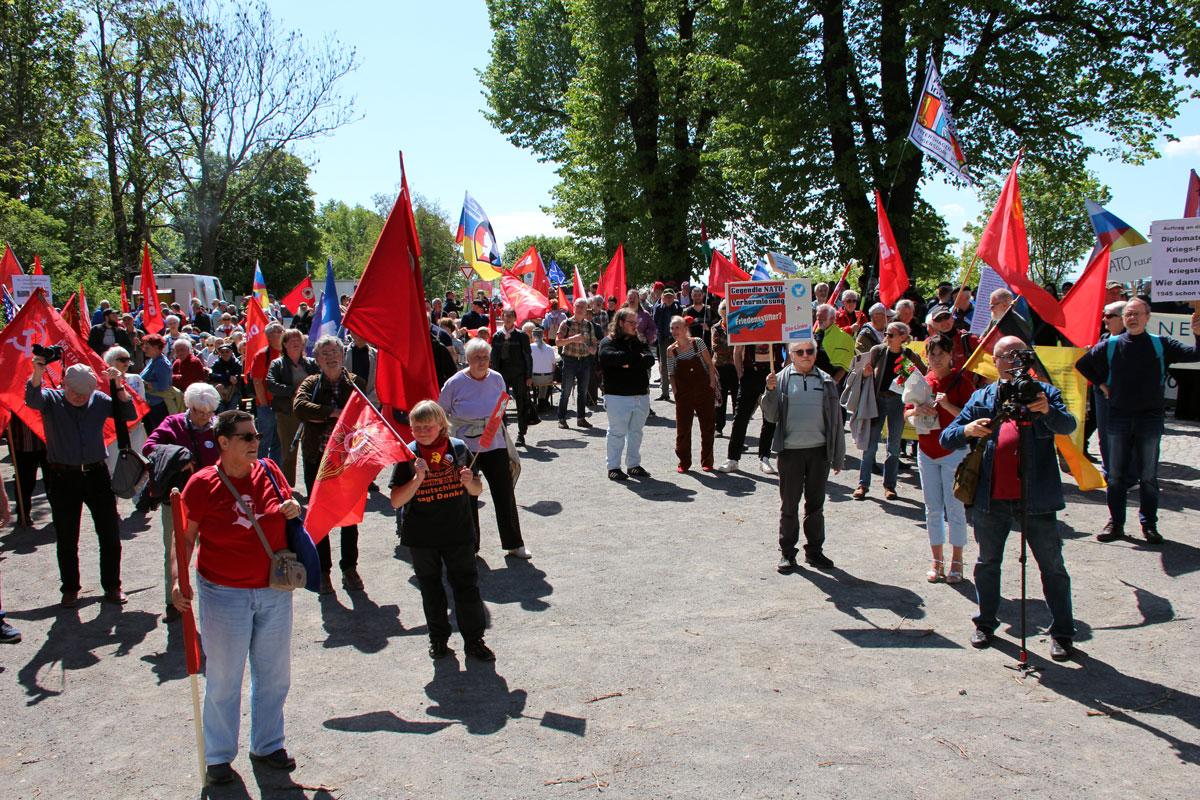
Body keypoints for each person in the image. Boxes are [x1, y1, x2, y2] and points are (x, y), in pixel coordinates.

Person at [173, 409, 302, 785]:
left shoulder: (271, 470)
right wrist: (176, 581)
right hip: (224, 592)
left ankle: (267, 744)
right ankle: (217, 757)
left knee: (275, 674)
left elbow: (287, 508)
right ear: (224, 442)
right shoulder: (201, 484)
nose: (255, 442)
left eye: (257, 435)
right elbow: (184, 539)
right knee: (225, 677)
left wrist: (293, 508)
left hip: (274, 589)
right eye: (246, 437)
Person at [940, 336, 1078, 661]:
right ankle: (985, 623)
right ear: (995, 360)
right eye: (1007, 355)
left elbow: (1068, 424)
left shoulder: (1041, 391)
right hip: (991, 497)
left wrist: (1046, 409)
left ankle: (1062, 633)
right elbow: (948, 438)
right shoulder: (984, 395)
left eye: (1019, 355)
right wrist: (968, 429)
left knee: (1052, 566)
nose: (1013, 361)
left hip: (1037, 498)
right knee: (988, 563)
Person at [1075, 299, 1200, 544]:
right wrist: (1101, 384)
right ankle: (1116, 524)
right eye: (1127, 314)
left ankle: (1149, 524)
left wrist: (1198, 335)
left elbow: (1196, 354)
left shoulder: (1160, 344)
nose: (1131, 318)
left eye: (1136, 314)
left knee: (1148, 477)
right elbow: (1082, 364)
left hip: (1149, 418)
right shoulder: (1110, 344)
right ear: (1123, 319)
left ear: (1147, 317)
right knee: (1116, 476)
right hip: (1118, 416)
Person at [390, 400, 495, 661]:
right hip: (422, 536)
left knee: (466, 588)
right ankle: (438, 640)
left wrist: (471, 482)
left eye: (428, 426)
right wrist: (417, 479)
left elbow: (477, 490)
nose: (423, 432)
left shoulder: (458, 449)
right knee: (431, 590)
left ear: (441, 426)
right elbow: (396, 500)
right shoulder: (408, 454)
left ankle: (474, 641)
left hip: (457, 532)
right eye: (417, 427)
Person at [27, 360, 134, 607]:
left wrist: (118, 384)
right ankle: (70, 588)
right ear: (64, 384)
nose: (78, 397)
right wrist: (38, 371)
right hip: (63, 476)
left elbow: (128, 413)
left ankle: (112, 585)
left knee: (109, 533)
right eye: (74, 392)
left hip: (97, 473)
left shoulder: (98, 400)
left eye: (83, 394)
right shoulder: (51, 399)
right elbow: (31, 398)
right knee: (66, 535)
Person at [439, 338, 531, 559]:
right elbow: (441, 413)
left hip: (494, 443)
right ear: (468, 360)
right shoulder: (454, 383)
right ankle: (470, 545)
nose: (481, 361)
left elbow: (502, 405)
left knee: (504, 492)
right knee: (467, 496)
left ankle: (514, 543)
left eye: (485, 357)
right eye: (477, 358)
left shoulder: (497, 378)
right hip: (465, 446)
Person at [760, 340, 845, 572]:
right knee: (789, 505)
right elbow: (770, 416)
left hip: (819, 452)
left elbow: (837, 421)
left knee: (815, 506)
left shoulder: (826, 381)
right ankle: (787, 553)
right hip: (790, 453)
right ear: (791, 355)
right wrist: (769, 391)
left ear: (816, 355)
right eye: (800, 352)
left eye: (810, 351)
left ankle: (815, 552)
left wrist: (838, 455)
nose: (805, 355)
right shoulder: (780, 379)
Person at [293, 335, 365, 594]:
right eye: (325, 354)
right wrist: (332, 413)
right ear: (318, 359)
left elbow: (363, 413)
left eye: (335, 351)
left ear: (342, 354)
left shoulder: (355, 383)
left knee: (349, 517)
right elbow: (300, 407)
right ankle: (323, 571)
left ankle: (349, 567)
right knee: (319, 514)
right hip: (317, 459)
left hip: (347, 460)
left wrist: (324, 415)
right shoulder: (311, 382)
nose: (331, 357)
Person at [144, 383, 221, 621]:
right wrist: (179, 457)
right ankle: (173, 600)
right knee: (176, 548)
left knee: (213, 548)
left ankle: (217, 596)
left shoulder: (218, 427)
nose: (204, 417)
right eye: (199, 411)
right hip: (178, 500)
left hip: (212, 499)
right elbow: (150, 447)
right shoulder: (173, 423)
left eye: (208, 412)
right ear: (189, 406)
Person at [903, 334, 975, 583]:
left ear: (950, 355)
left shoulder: (963, 382)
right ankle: (937, 561)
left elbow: (971, 419)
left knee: (955, 508)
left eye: (940, 354)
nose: (935, 359)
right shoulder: (923, 381)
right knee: (932, 509)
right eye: (931, 354)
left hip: (954, 452)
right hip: (926, 451)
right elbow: (907, 414)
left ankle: (957, 560)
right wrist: (916, 410)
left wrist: (947, 407)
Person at [854, 322, 926, 500]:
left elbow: (923, 374)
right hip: (877, 401)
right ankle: (863, 485)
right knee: (870, 446)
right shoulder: (878, 351)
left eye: (891, 334)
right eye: (886, 333)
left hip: (898, 403)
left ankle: (889, 486)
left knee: (893, 447)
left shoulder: (908, 355)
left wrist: (911, 376)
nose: (887, 336)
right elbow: (859, 372)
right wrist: (866, 373)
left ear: (903, 337)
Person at [598, 308, 655, 480]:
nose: (635, 326)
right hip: (617, 396)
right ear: (621, 323)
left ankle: (633, 465)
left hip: (640, 395)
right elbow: (608, 357)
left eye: (635, 322)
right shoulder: (608, 341)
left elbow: (649, 359)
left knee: (636, 432)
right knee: (617, 432)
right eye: (631, 322)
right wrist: (634, 359)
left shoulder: (637, 341)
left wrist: (628, 362)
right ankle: (613, 467)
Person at [666, 315, 719, 472]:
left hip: (704, 390)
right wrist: (675, 392)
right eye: (672, 328)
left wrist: (711, 384)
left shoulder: (698, 343)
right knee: (683, 429)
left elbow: (709, 364)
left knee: (708, 427)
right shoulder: (671, 351)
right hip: (684, 394)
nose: (675, 331)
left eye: (678, 327)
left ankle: (707, 461)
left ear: (685, 329)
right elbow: (671, 374)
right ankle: (684, 462)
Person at [266, 329, 318, 486]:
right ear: (284, 344)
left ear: (303, 343)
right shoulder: (277, 364)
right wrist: (292, 391)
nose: (295, 342)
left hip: (309, 412)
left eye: (298, 339)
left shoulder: (311, 363)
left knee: (311, 450)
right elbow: (271, 384)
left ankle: (313, 485)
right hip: (287, 413)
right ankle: (288, 487)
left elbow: (320, 381)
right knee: (288, 451)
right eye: (291, 339)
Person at [491, 309, 535, 447]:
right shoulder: (497, 336)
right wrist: (493, 376)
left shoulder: (521, 336)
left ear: (515, 318)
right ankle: (501, 433)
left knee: (521, 403)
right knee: (500, 405)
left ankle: (521, 434)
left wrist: (529, 376)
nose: (508, 318)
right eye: (506, 316)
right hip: (502, 375)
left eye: (511, 316)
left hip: (519, 375)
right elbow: (493, 358)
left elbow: (528, 357)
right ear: (502, 317)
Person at [103, 346, 148, 475]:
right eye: (122, 360)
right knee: (113, 467)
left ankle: (139, 494)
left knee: (140, 463)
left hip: (135, 427)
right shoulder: (103, 381)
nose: (127, 363)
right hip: (114, 430)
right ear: (110, 362)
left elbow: (141, 402)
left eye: (128, 359)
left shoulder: (135, 379)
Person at [556, 297, 598, 430]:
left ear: (586, 310)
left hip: (585, 361)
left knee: (583, 391)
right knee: (566, 391)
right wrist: (572, 339)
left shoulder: (589, 325)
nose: (580, 309)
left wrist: (593, 349)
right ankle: (561, 418)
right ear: (573, 308)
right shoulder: (566, 323)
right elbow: (558, 342)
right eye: (577, 306)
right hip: (570, 361)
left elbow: (594, 344)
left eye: (582, 307)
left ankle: (581, 418)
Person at [250, 322, 285, 461]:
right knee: (264, 442)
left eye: (281, 329)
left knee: (280, 442)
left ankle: (275, 472)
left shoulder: (286, 353)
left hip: (283, 405)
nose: (282, 331)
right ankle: (260, 469)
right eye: (277, 330)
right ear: (269, 337)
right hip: (268, 406)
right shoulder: (262, 355)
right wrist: (264, 405)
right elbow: (257, 382)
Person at [711, 300, 738, 436]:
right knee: (720, 399)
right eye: (724, 312)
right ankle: (718, 427)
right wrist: (732, 345)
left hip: (735, 367)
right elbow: (716, 347)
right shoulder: (716, 328)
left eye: (728, 312)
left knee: (736, 399)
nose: (726, 315)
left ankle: (737, 427)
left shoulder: (737, 325)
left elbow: (741, 345)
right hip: (720, 367)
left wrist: (729, 345)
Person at [652, 289, 683, 399]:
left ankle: (679, 391)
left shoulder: (678, 307)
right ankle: (665, 393)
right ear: (663, 297)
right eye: (666, 297)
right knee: (664, 366)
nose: (668, 299)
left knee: (678, 364)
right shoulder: (658, 307)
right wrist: (661, 307)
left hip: (676, 339)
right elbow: (654, 321)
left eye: (671, 297)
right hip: (663, 339)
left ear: (674, 297)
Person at [528, 324, 557, 412]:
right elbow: (553, 365)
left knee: (536, 378)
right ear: (543, 336)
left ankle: (536, 401)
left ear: (533, 336)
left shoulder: (530, 347)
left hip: (535, 378)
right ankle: (542, 400)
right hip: (547, 378)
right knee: (545, 381)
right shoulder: (549, 348)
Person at [210, 343, 244, 412]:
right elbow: (213, 375)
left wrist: (234, 379)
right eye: (222, 352)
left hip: (233, 390)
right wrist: (228, 378)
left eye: (227, 351)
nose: (225, 354)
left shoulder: (236, 363)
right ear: (219, 353)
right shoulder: (216, 363)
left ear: (231, 352)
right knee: (221, 410)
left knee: (231, 410)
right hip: (220, 391)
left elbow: (238, 376)